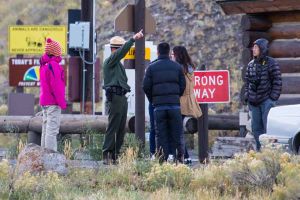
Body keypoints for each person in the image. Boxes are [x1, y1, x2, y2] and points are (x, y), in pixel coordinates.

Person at [102, 30, 144, 164]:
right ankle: (107, 153)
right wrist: (132, 40)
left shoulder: (117, 65)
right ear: (115, 49)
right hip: (115, 97)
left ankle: (115, 154)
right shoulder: (110, 61)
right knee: (113, 126)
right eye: (119, 49)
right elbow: (121, 53)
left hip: (121, 97)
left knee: (120, 128)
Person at [143, 42, 186, 163]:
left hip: (159, 107)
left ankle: (163, 160)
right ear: (169, 52)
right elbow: (183, 85)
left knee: (160, 134)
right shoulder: (177, 67)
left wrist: (153, 100)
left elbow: (145, 86)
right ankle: (179, 159)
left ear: (158, 52)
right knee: (176, 133)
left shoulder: (151, 67)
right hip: (174, 106)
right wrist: (176, 97)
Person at [244, 38, 282, 151]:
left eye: (256, 47)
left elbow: (277, 81)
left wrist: (272, 99)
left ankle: (269, 153)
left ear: (262, 49)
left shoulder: (272, 63)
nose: (253, 49)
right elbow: (247, 82)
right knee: (256, 129)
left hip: (266, 101)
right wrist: (247, 96)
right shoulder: (251, 64)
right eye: (253, 47)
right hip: (253, 103)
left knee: (268, 128)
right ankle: (261, 152)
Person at [171, 46, 202, 165]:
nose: (171, 57)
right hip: (190, 101)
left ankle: (185, 156)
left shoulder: (179, 69)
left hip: (181, 101)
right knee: (179, 130)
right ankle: (185, 156)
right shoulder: (189, 68)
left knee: (177, 131)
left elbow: (180, 88)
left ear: (177, 55)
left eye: (173, 55)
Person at [39, 38, 67, 151]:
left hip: (45, 101)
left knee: (46, 129)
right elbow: (57, 87)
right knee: (52, 130)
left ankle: (43, 154)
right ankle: (50, 157)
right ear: (56, 52)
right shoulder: (54, 65)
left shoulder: (44, 65)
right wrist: (62, 103)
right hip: (53, 102)